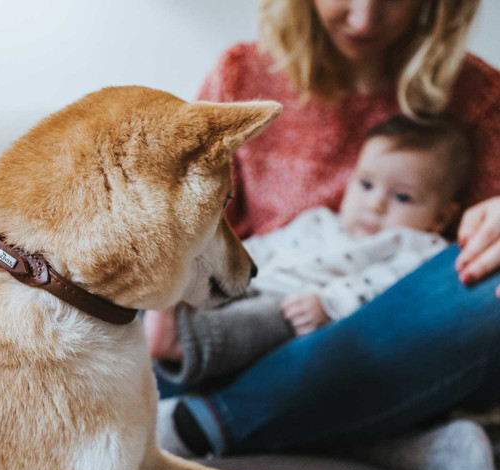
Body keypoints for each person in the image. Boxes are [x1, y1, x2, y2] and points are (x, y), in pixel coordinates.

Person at [146, 0, 500, 470]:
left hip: (388, 331)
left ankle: (200, 424)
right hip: (242, 330)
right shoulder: (242, 75)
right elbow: (184, 221)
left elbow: (461, 274)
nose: (364, 19)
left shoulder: (478, 99)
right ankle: (385, 446)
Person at [150, 114, 470, 386]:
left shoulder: (419, 247)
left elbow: (390, 288)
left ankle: (185, 342)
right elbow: (264, 248)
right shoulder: (319, 221)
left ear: (442, 216)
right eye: (366, 185)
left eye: (402, 197)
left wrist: (330, 304)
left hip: (298, 311)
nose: (374, 204)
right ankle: (159, 309)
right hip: (254, 282)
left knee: (269, 320)